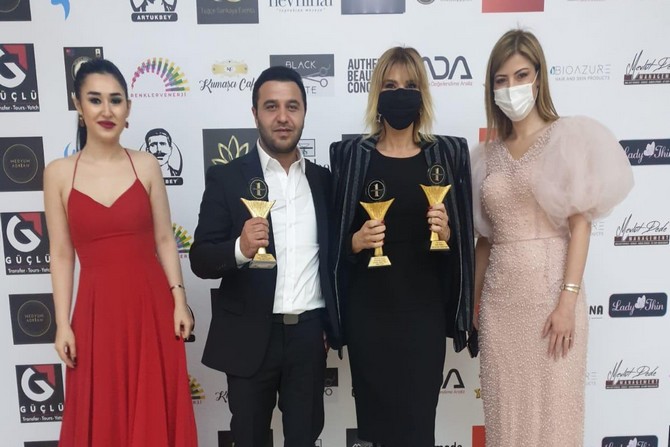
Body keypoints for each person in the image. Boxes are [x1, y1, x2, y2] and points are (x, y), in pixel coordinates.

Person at [472, 29, 634, 446]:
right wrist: (471, 300)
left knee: (555, 419)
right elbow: (485, 239)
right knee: (505, 421)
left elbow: (581, 225)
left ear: (539, 78)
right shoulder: (486, 155)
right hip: (499, 306)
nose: (511, 87)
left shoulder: (567, 139)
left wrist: (567, 302)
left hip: (551, 302)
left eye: (521, 75)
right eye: (501, 80)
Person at [43, 58, 197, 447]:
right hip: (95, 316)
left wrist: (179, 301)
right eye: (95, 100)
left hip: (151, 310)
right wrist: (62, 323)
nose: (107, 110)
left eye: (115, 100)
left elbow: (165, 239)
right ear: (78, 106)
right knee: (104, 413)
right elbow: (61, 254)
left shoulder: (146, 165)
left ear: (128, 108)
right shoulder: (58, 173)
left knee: (153, 412)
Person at [329, 46, 475, 447]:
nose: (400, 94)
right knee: (375, 429)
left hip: (423, 315)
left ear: (422, 94)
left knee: (418, 428)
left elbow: (463, 243)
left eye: (409, 85)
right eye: (390, 86)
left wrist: (448, 235)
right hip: (368, 315)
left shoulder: (448, 154)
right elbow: (334, 242)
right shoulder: (350, 157)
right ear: (377, 94)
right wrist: (356, 241)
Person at [189, 66, 341, 447]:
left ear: (304, 112)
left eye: (292, 106)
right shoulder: (227, 178)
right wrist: (239, 249)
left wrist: (328, 324)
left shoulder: (324, 181)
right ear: (255, 113)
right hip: (248, 336)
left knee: (304, 440)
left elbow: (335, 260)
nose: (283, 117)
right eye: (271, 106)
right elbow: (201, 258)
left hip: (308, 336)